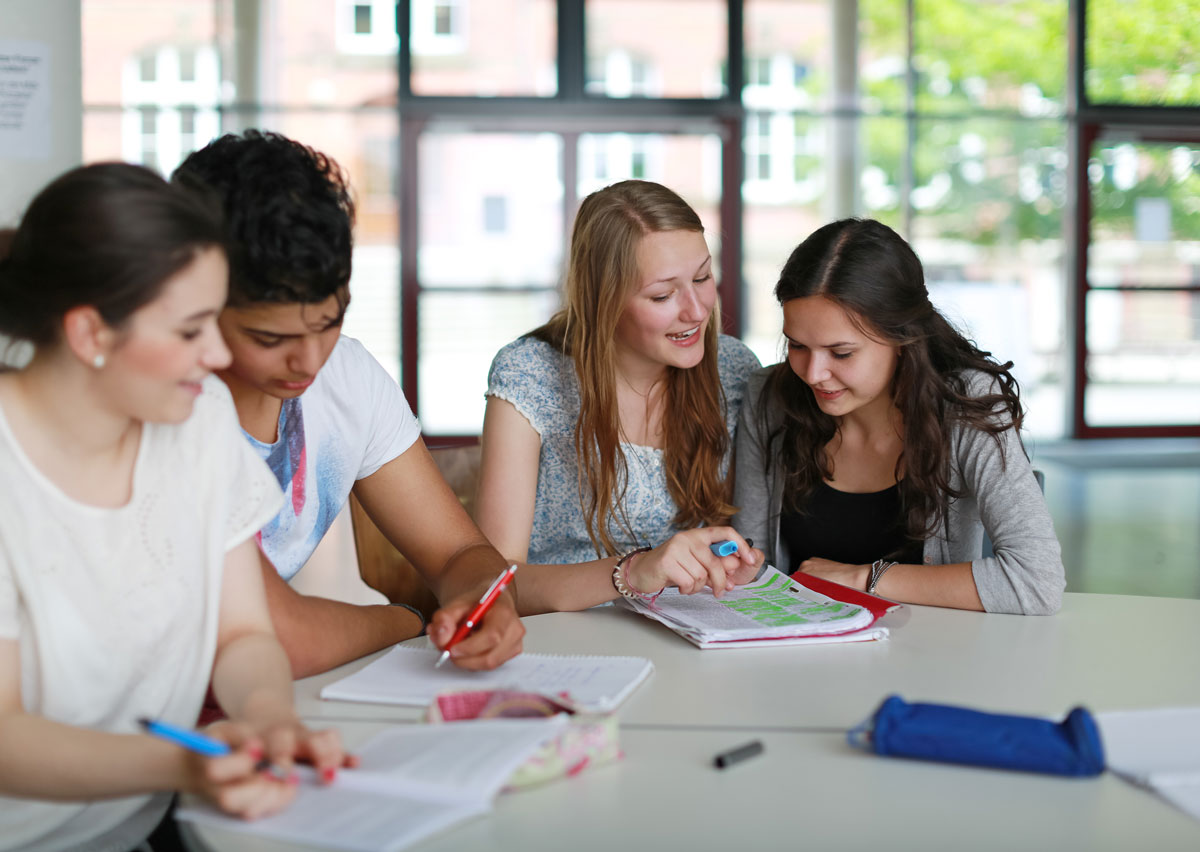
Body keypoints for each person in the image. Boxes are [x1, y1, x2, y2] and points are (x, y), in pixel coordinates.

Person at [0, 163, 345, 852]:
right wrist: (187, 763)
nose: (217, 355)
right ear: (90, 334)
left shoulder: (200, 418)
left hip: (155, 822)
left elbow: (241, 635)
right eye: (191, 331)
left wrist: (271, 719)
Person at [171, 131, 523, 677]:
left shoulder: (348, 375)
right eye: (270, 338)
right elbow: (282, 638)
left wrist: (486, 603)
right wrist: (409, 621)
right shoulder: (169, 407)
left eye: (330, 322)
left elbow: (456, 554)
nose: (309, 361)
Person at [733, 218, 1065, 614]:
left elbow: (1037, 580)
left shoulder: (966, 403)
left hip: (933, 659)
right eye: (798, 345)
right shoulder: (769, 397)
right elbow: (756, 569)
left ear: (903, 339)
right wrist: (740, 569)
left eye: (841, 353)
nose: (812, 373)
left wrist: (864, 578)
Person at [476, 180, 762, 613]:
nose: (698, 310)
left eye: (703, 277)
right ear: (603, 301)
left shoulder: (735, 371)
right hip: (564, 638)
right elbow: (493, 583)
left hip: (691, 636)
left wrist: (732, 561)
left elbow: (737, 538)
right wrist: (633, 572)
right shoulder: (530, 375)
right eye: (663, 294)